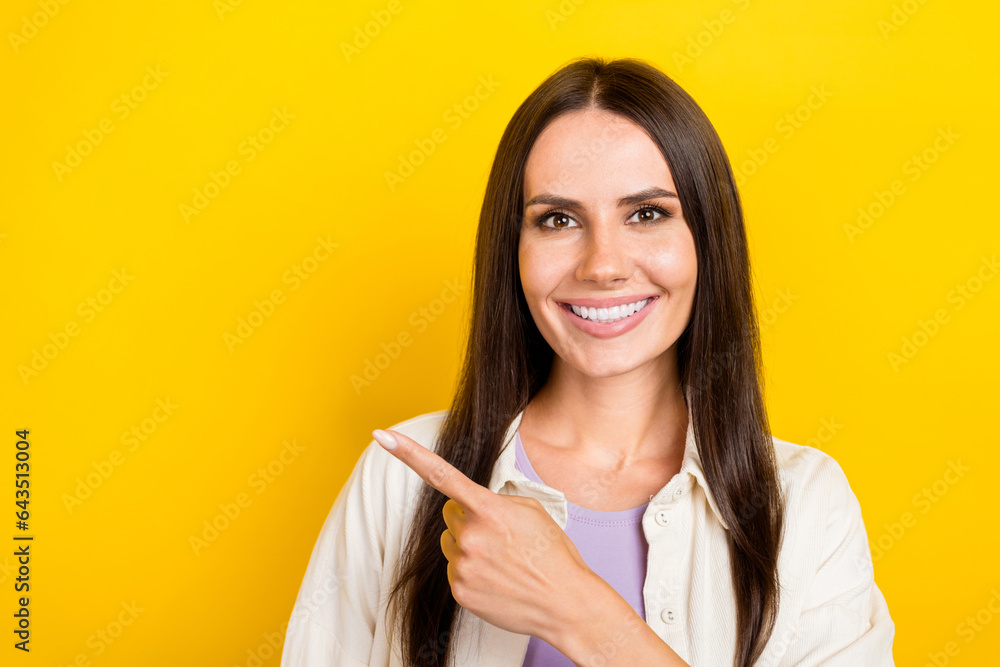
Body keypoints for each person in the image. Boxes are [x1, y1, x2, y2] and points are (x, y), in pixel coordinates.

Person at [280, 56, 896, 666]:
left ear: (707, 239)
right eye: (558, 219)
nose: (602, 265)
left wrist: (578, 611)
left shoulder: (805, 502)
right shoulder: (400, 483)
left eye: (647, 213)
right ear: (513, 252)